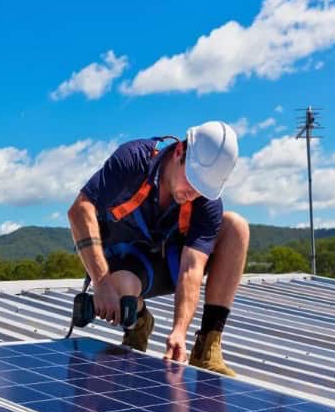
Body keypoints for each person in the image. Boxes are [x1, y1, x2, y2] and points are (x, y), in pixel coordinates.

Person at [66, 121, 249, 376]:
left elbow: (191, 268)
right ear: (178, 152)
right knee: (120, 291)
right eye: (191, 181)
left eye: (201, 190)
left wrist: (179, 331)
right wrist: (101, 282)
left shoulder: (205, 202)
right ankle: (140, 321)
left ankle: (208, 345)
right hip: (126, 261)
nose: (192, 194)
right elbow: (80, 209)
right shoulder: (134, 160)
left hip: (169, 264)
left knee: (236, 227)